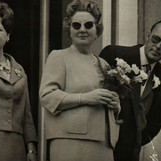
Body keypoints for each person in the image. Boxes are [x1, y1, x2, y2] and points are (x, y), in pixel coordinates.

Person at [39, 0, 120, 161]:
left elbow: (107, 104)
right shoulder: (58, 57)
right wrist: (86, 98)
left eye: (88, 25)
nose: (82, 30)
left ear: (97, 30)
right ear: (69, 30)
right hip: (70, 142)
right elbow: (47, 96)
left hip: (103, 143)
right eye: (76, 25)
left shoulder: (103, 64)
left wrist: (116, 104)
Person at [100, 20, 161, 161]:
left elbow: (156, 120)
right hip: (101, 145)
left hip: (129, 153)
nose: (158, 47)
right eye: (156, 39)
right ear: (148, 35)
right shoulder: (115, 54)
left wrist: (134, 141)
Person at [0, 1, 38, 161]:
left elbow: (26, 115)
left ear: (8, 35)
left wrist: (31, 149)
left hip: (16, 148)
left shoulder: (19, 70)